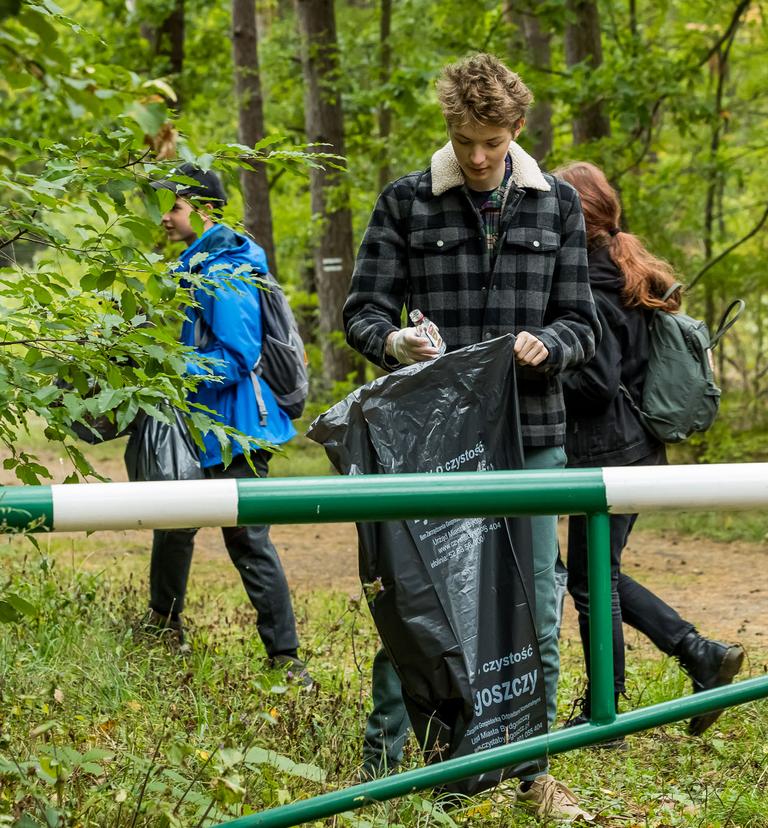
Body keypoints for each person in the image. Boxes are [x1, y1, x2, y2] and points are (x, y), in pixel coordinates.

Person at [343, 54, 599, 820]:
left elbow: (583, 324)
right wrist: (395, 345)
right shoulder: (406, 203)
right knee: (418, 608)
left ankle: (534, 775)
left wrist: (548, 346)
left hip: (533, 436)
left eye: (491, 140)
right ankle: (388, 776)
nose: (478, 157)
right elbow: (360, 312)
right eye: (463, 139)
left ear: (517, 130)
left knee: (537, 611)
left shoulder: (557, 207)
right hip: (434, 443)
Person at [555, 161, 743, 740]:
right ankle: (694, 656)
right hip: (635, 447)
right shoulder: (622, 265)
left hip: (608, 451)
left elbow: (597, 381)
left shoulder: (589, 280)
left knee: (589, 579)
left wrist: (534, 372)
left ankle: (613, 704)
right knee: (592, 575)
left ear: (575, 216)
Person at [143, 163, 312, 689]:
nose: (165, 216)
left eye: (175, 206)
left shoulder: (225, 270)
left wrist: (169, 367)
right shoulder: (201, 264)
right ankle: (162, 627)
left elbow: (237, 357)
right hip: (208, 425)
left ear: (207, 210)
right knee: (175, 524)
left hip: (239, 428)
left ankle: (287, 660)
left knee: (248, 540)